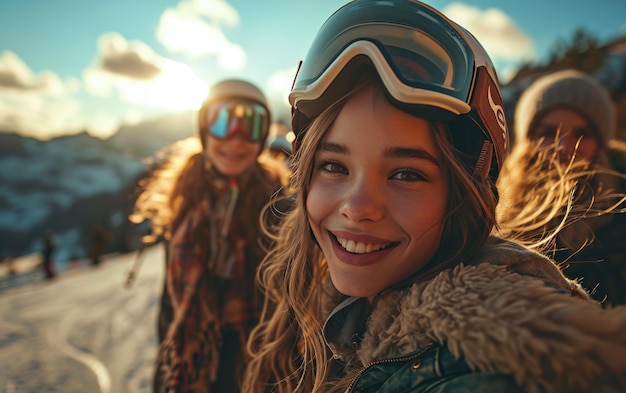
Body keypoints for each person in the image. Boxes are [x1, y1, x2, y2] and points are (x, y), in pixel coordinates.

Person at [242, 1, 626, 392]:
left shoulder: (483, 371)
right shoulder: (325, 310)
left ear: (463, 196)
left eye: (407, 174)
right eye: (334, 166)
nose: (357, 208)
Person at [131, 79, 290, 392]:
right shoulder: (185, 206)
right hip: (195, 367)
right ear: (204, 129)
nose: (236, 139)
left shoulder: (280, 207)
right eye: (222, 122)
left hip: (258, 365)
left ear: (263, 137)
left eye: (252, 126)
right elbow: (172, 307)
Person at [498, 69, 626, 305]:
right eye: (548, 132)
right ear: (527, 140)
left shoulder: (620, 211)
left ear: (600, 144)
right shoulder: (494, 208)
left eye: (582, 134)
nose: (564, 146)